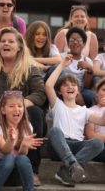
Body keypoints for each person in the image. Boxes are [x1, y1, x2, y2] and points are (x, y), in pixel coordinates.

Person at [0, 27, 46, 186]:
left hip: (21, 120)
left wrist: (17, 106)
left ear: (19, 46)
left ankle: (33, 170)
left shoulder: (29, 69)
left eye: (10, 41)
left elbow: (40, 93)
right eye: (3, 41)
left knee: (35, 111)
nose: (5, 44)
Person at [46, 55, 105, 187]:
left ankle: (66, 171)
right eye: (65, 85)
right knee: (54, 131)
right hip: (59, 146)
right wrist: (62, 65)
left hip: (76, 147)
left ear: (78, 91)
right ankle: (73, 165)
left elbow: (102, 121)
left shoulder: (84, 110)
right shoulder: (57, 104)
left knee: (97, 143)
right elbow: (48, 85)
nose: (69, 87)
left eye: (73, 85)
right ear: (60, 91)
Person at [0, 90, 43, 191]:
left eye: (19, 106)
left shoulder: (27, 126)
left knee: (23, 158)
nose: (16, 109)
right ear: (3, 110)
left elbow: (23, 153)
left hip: (16, 176)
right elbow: (5, 151)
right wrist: (11, 139)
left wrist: (24, 145)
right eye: (11, 106)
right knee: (9, 158)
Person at [61, 27, 94, 107]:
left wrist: (89, 69)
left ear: (84, 43)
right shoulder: (61, 57)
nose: (75, 42)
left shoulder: (88, 61)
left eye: (79, 40)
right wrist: (76, 93)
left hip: (82, 89)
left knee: (92, 96)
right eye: (72, 40)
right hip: (64, 87)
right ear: (68, 43)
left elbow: (87, 86)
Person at [85, 78, 105, 162]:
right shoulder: (90, 111)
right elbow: (90, 135)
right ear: (97, 92)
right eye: (104, 90)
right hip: (100, 147)